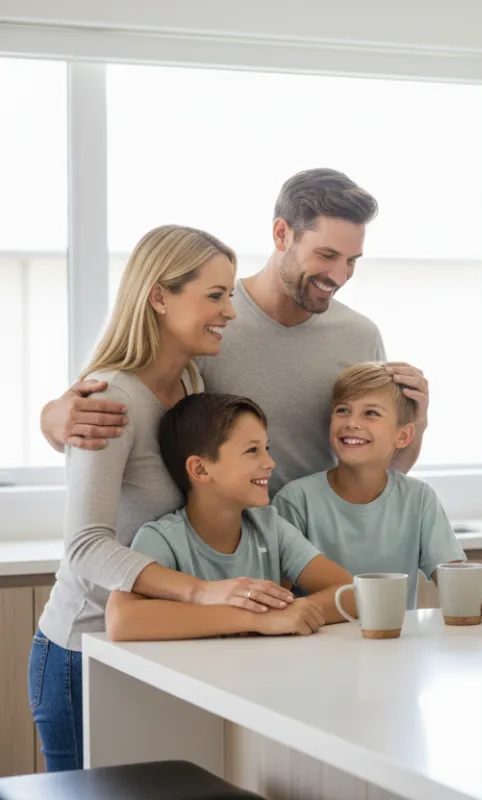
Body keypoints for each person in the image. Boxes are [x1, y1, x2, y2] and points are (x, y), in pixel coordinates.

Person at [30, 226, 297, 772]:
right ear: (159, 296)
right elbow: (84, 546)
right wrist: (202, 594)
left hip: (154, 642)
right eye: (215, 296)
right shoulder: (109, 397)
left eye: (230, 295)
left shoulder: (191, 385)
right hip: (84, 647)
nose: (230, 311)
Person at [39, 168, 431, 495]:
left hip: (318, 559)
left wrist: (419, 420)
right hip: (225, 562)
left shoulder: (360, 335)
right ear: (282, 234)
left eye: (351, 261)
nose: (340, 276)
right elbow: (130, 410)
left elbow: (375, 473)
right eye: (326, 256)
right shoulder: (208, 323)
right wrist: (51, 420)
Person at [106, 394, 356, 641]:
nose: (270, 462)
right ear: (200, 469)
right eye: (252, 450)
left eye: (266, 448)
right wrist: (257, 619)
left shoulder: (271, 527)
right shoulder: (162, 539)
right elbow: (121, 620)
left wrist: (289, 614)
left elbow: (352, 594)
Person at [273, 363, 482, 620]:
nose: (352, 422)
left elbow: (454, 578)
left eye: (370, 413)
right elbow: (277, 596)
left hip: (393, 646)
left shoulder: (418, 498)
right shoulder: (295, 500)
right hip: (315, 647)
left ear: (403, 436)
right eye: (343, 410)